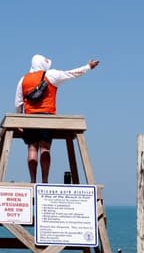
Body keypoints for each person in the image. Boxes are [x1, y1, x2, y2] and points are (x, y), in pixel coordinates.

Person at [13, 54, 100, 182]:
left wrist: (20, 120)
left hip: (29, 118)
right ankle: (44, 180)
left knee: (32, 148)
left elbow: (18, 103)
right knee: (45, 148)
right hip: (47, 117)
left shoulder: (23, 80)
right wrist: (88, 67)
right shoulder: (51, 75)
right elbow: (72, 74)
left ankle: (32, 180)